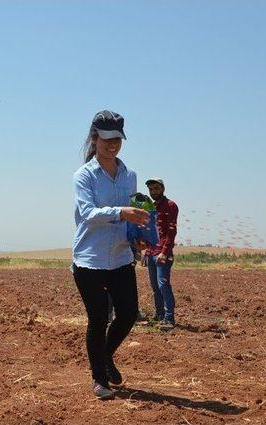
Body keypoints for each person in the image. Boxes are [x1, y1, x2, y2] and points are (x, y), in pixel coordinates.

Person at [72, 110, 150, 400]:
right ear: (95, 138)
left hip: (119, 257)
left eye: (117, 138)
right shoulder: (84, 176)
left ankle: (104, 357)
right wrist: (121, 212)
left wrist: (138, 240)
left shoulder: (129, 176)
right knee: (98, 317)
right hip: (89, 259)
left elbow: (132, 220)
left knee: (128, 313)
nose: (112, 144)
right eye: (106, 138)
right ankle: (99, 378)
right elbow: (89, 213)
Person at [142, 177, 178, 330]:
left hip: (162, 253)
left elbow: (171, 232)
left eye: (156, 188)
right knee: (155, 286)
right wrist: (145, 250)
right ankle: (159, 315)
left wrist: (165, 252)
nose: (153, 192)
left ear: (163, 189)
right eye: (151, 189)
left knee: (163, 284)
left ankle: (169, 319)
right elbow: (148, 230)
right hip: (151, 252)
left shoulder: (170, 205)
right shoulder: (150, 207)